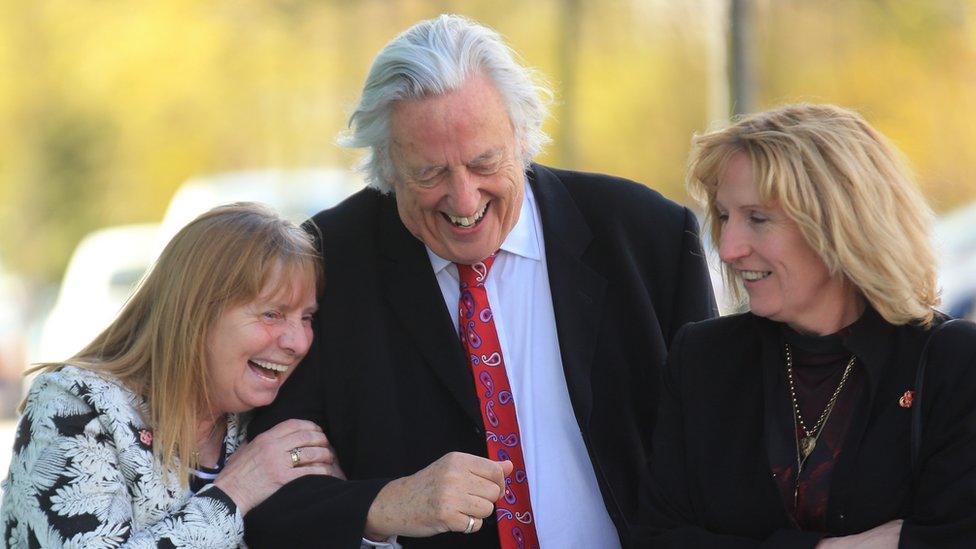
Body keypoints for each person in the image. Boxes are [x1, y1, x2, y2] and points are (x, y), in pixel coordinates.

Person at [244, 13, 716, 549]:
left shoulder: (647, 236)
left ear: (523, 137)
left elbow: (720, 455)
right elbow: (271, 499)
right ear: (387, 167)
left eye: (484, 162)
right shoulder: (328, 264)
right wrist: (383, 506)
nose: (464, 200)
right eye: (430, 174)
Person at [637, 103, 976, 547]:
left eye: (757, 218)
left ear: (841, 224)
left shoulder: (954, 363)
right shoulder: (703, 357)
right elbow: (659, 539)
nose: (730, 247)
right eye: (724, 216)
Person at [0, 203, 343, 548]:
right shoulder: (77, 405)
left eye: (306, 318)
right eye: (272, 315)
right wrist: (238, 490)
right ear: (195, 314)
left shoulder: (268, 419)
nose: (298, 342)